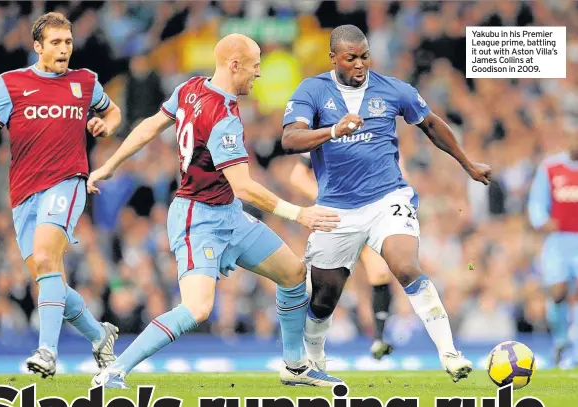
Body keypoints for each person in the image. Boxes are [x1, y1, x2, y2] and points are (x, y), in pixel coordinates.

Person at [88, 34, 344, 389]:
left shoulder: (190, 88)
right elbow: (244, 185)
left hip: (228, 213)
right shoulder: (223, 117)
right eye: (255, 67)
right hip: (199, 217)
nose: (258, 75)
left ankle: (295, 366)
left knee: (292, 273)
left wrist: (110, 164)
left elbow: (149, 125)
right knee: (197, 308)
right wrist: (299, 214)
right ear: (234, 65)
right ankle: (115, 369)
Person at [281, 25, 491, 382]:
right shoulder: (312, 91)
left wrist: (467, 163)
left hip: (387, 198)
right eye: (351, 58)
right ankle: (314, 359)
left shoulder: (393, 89)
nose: (360, 65)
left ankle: (450, 353)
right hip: (337, 209)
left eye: (364, 56)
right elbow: (289, 139)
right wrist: (333, 131)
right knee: (324, 298)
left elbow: (431, 124)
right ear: (334, 58)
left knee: (405, 265)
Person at [0, 12, 122, 378]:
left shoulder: (85, 82)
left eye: (68, 42)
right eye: (55, 43)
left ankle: (47, 352)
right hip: (24, 191)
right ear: (38, 46)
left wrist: (106, 125)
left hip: (68, 181)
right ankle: (99, 335)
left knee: (45, 257)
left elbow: (113, 111)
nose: (63, 49)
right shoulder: (9, 84)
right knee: (46, 274)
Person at [290, 153, 394, 360]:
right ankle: (299, 342)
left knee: (381, 273)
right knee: (322, 286)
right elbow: (297, 177)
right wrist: (332, 201)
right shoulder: (321, 131)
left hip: (365, 214)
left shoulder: (371, 134)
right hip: (336, 219)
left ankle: (378, 338)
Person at [527, 131, 578, 367]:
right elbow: (537, 202)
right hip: (558, 241)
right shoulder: (550, 167)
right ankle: (560, 340)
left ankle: (575, 348)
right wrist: (541, 220)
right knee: (557, 292)